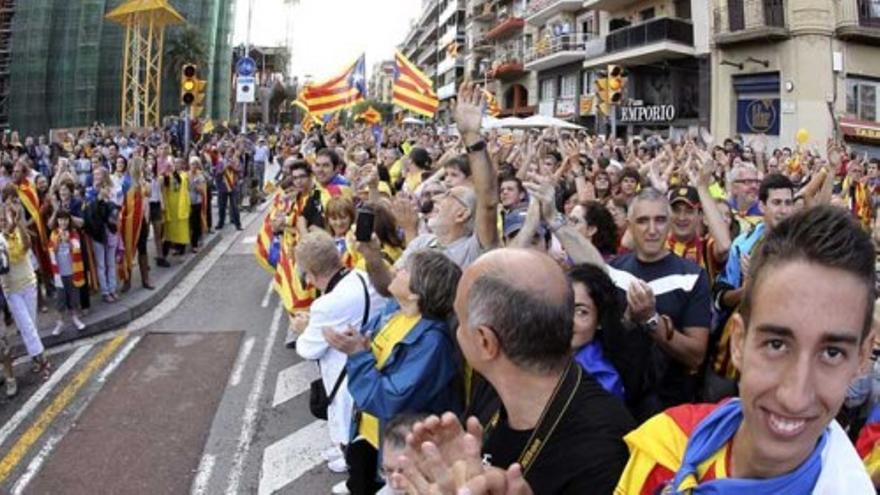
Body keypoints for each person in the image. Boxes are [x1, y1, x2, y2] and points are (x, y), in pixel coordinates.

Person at [615, 205, 875, 493]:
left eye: (832, 353)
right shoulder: (666, 447)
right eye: (776, 345)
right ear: (738, 342)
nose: (795, 397)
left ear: (862, 360)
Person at [455, 248, 635, 493]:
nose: (457, 331)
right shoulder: (492, 386)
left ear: (485, 341)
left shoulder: (603, 450)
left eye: (460, 320)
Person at [324, 249, 463, 495]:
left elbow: (389, 399)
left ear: (416, 291)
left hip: (401, 456)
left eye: (406, 269)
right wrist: (361, 345)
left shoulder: (433, 342)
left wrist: (357, 354)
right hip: (370, 436)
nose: (398, 269)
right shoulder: (393, 313)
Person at [607, 188, 712, 419]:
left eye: (660, 220)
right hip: (616, 404)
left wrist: (651, 321)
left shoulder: (692, 277)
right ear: (630, 225)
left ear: (669, 224)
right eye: (643, 221)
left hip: (670, 408)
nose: (652, 230)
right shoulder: (614, 271)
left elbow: (696, 354)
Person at [293, 231, 386, 479]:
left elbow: (307, 349)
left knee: (348, 428)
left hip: (345, 376)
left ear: (311, 273)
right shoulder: (363, 277)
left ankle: (350, 466)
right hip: (371, 364)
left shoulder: (326, 304)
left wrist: (303, 329)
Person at [0, 202, 51, 381]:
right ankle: (43, 360)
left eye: (6, 218)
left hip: (28, 284)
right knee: (26, 326)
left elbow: (19, 252)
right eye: (0, 220)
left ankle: (35, 358)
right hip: (11, 290)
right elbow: (6, 261)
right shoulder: (1, 239)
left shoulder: (20, 234)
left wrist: (12, 226)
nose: (3, 222)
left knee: (31, 325)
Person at [48, 210, 87, 335]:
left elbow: (77, 248)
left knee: (73, 296)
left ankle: (75, 317)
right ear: (57, 221)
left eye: (65, 219)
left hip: (72, 272)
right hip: (59, 274)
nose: (63, 222)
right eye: (60, 220)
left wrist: (68, 241)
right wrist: (58, 243)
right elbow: (51, 250)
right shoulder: (54, 234)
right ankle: (60, 322)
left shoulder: (73, 233)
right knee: (60, 298)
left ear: (69, 221)